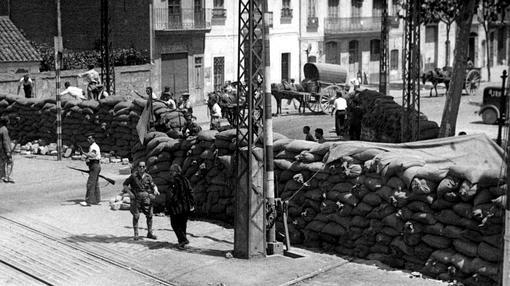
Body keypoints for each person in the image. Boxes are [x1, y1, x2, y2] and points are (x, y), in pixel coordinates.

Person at [123, 161, 160, 240]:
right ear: (138, 167)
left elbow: (153, 185)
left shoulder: (148, 177)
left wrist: (156, 190)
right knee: (136, 216)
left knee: (149, 215)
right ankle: (136, 234)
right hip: (136, 198)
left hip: (146, 198)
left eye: (143, 166)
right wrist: (130, 193)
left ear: (145, 167)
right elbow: (125, 184)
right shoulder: (133, 176)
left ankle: (149, 233)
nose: (141, 168)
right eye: (140, 166)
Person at [165, 164, 194, 249]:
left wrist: (167, 206)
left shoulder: (174, 181)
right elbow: (190, 191)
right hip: (186, 206)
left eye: (171, 171)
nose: (170, 173)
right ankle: (182, 242)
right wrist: (192, 203)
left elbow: (169, 195)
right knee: (182, 224)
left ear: (175, 172)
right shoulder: (185, 179)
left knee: (174, 224)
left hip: (177, 207)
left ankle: (182, 240)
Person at [80, 133, 101, 206]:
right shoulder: (92, 146)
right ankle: (97, 200)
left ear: (93, 139)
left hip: (94, 165)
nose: (88, 140)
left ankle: (88, 201)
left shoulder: (94, 146)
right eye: (88, 138)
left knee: (90, 183)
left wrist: (84, 154)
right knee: (95, 183)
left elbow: (93, 154)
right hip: (94, 165)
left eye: (90, 138)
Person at [0, 116, 14, 183]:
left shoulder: (1, 129)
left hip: (1, 149)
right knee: (10, 162)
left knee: (2, 163)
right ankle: (7, 176)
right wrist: (8, 151)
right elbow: (5, 141)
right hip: (4, 150)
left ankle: (2, 176)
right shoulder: (5, 130)